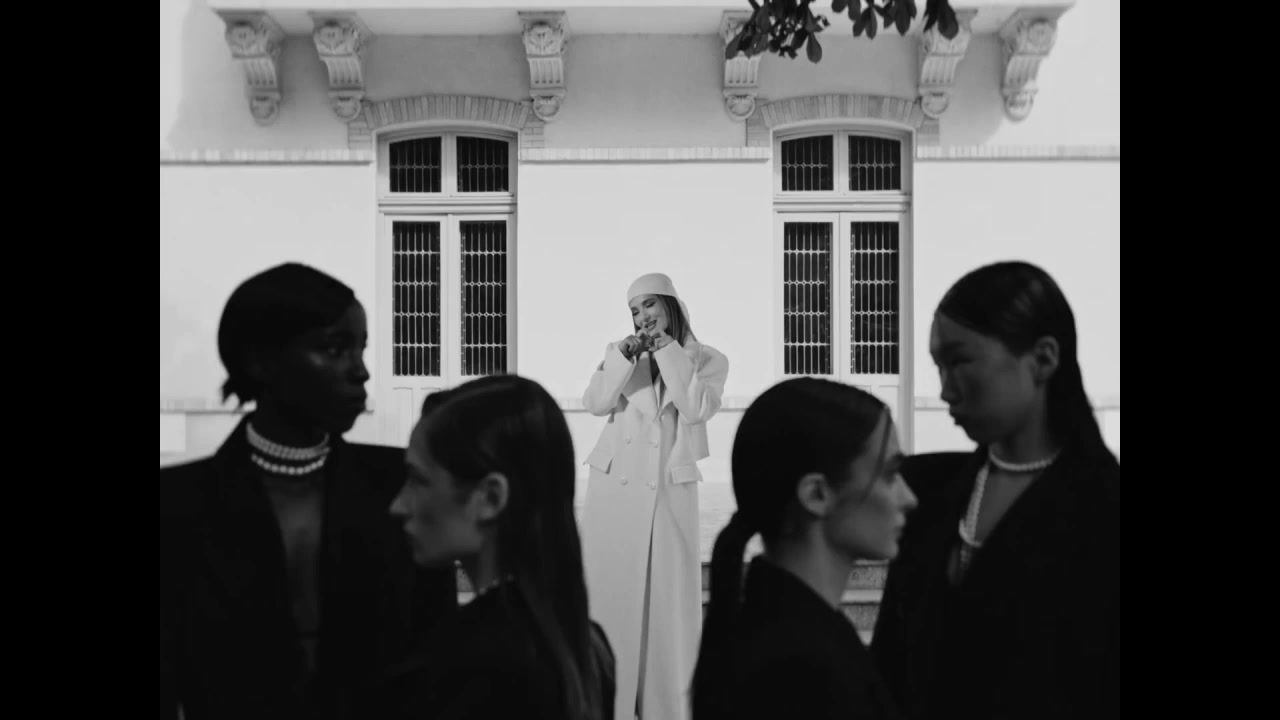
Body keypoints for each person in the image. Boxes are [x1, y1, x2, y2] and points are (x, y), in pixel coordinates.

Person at [159, 262, 457, 720]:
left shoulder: (402, 483)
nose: (360, 371)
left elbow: (438, 653)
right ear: (260, 362)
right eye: (334, 348)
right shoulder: (177, 503)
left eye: (361, 348)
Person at [871, 260, 1121, 720]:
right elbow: (890, 666)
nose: (945, 390)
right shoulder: (926, 490)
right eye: (938, 367)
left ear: (1043, 359)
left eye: (960, 362)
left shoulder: (1105, 509)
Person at [383, 375, 615, 720]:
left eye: (418, 480)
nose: (398, 505)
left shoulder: (470, 665)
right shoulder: (589, 648)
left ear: (490, 498)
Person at [691, 377, 916, 720]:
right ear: (816, 494)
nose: (908, 498)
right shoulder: (803, 668)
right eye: (888, 475)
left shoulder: (790, 631)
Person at [580, 272, 729, 720]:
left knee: (668, 602)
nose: (642, 316)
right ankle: (610, 704)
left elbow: (696, 408)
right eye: (634, 310)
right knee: (613, 597)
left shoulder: (707, 359)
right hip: (616, 487)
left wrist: (668, 351)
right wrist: (622, 360)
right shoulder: (619, 353)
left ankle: (665, 707)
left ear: (669, 305)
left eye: (649, 305)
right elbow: (595, 403)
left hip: (668, 486)